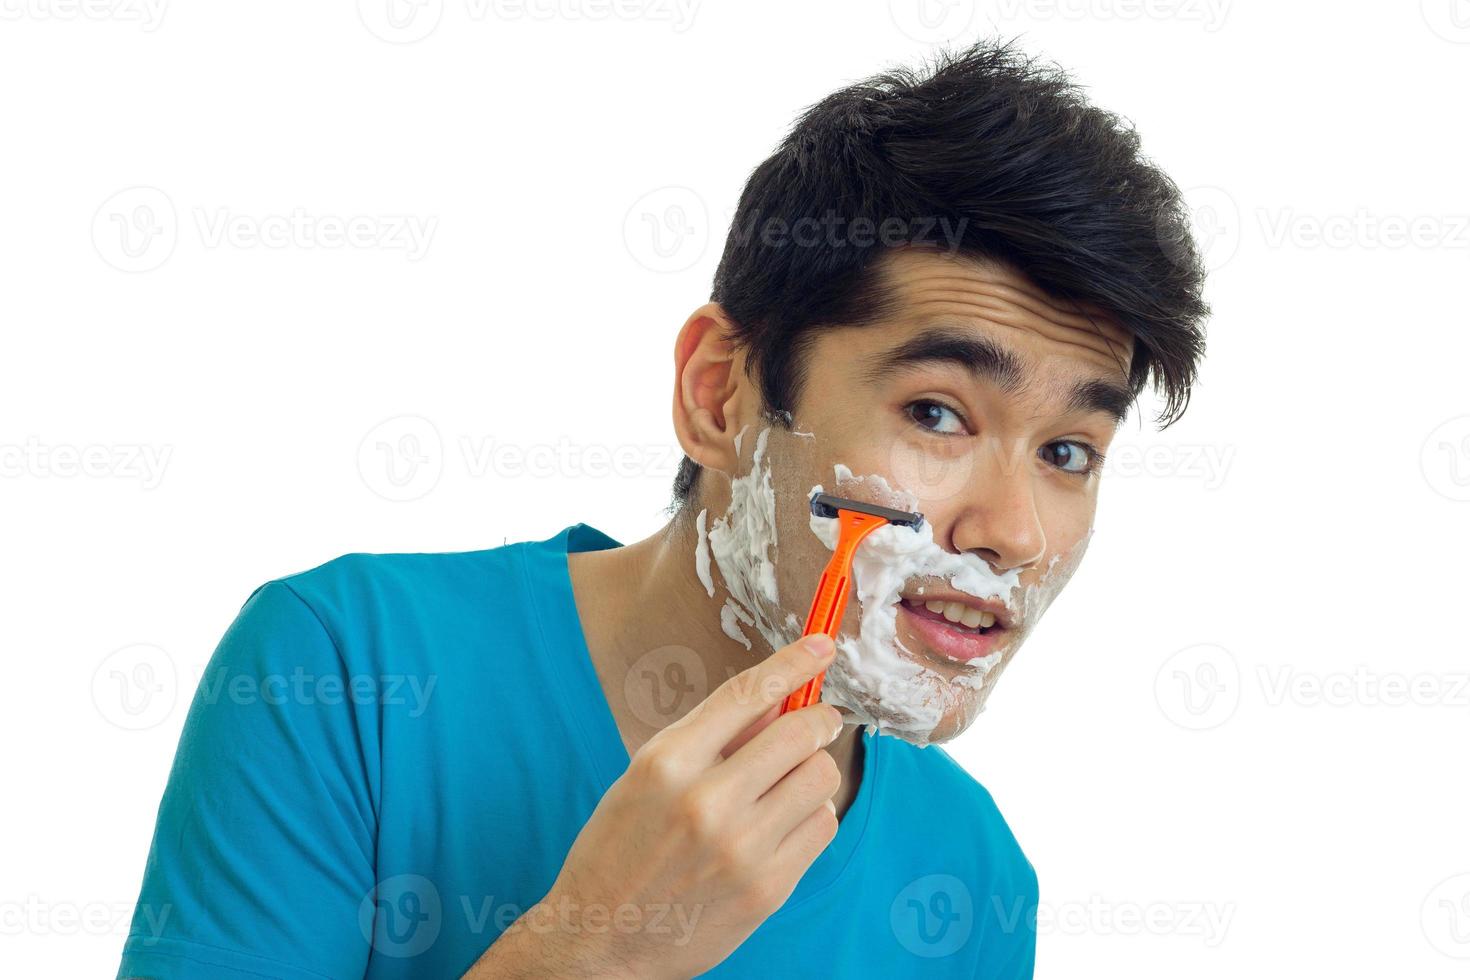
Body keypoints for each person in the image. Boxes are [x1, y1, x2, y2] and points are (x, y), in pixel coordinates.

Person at [117, 38, 1208, 979]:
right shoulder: (346, 665)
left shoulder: (969, 867)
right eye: (936, 411)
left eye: (1070, 449)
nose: (1013, 530)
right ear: (721, 395)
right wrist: (596, 948)